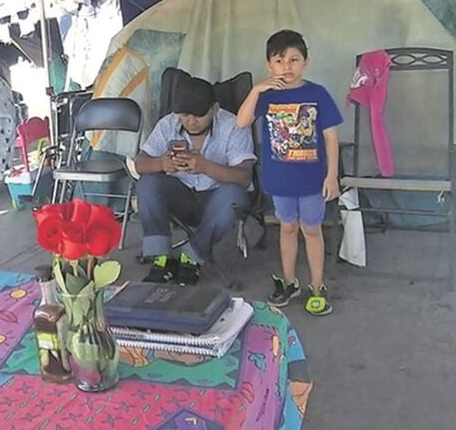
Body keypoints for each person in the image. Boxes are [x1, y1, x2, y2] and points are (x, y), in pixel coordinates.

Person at [237, 29, 342, 316]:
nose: (287, 67)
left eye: (294, 60)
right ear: (269, 64)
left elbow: (331, 138)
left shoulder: (317, 94)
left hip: (311, 180)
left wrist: (331, 175)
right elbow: (241, 121)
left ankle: (317, 286)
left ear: (306, 61)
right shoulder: (266, 96)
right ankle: (289, 281)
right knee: (286, 228)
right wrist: (257, 89)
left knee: (311, 229)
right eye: (280, 61)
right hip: (280, 179)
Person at [133, 75, 255, 285]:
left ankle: (192, 257)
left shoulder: (234, 125)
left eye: (199, 115)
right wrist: (161, 164)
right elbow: (140, 163)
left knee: (234, 195)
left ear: (214, 108)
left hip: (217, 199)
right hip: (181, 196)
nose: (191, 121)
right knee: (147, 183)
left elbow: (244, 177)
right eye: (184, 115)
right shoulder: (168, 124)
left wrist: (206, 166)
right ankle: (161, 258)